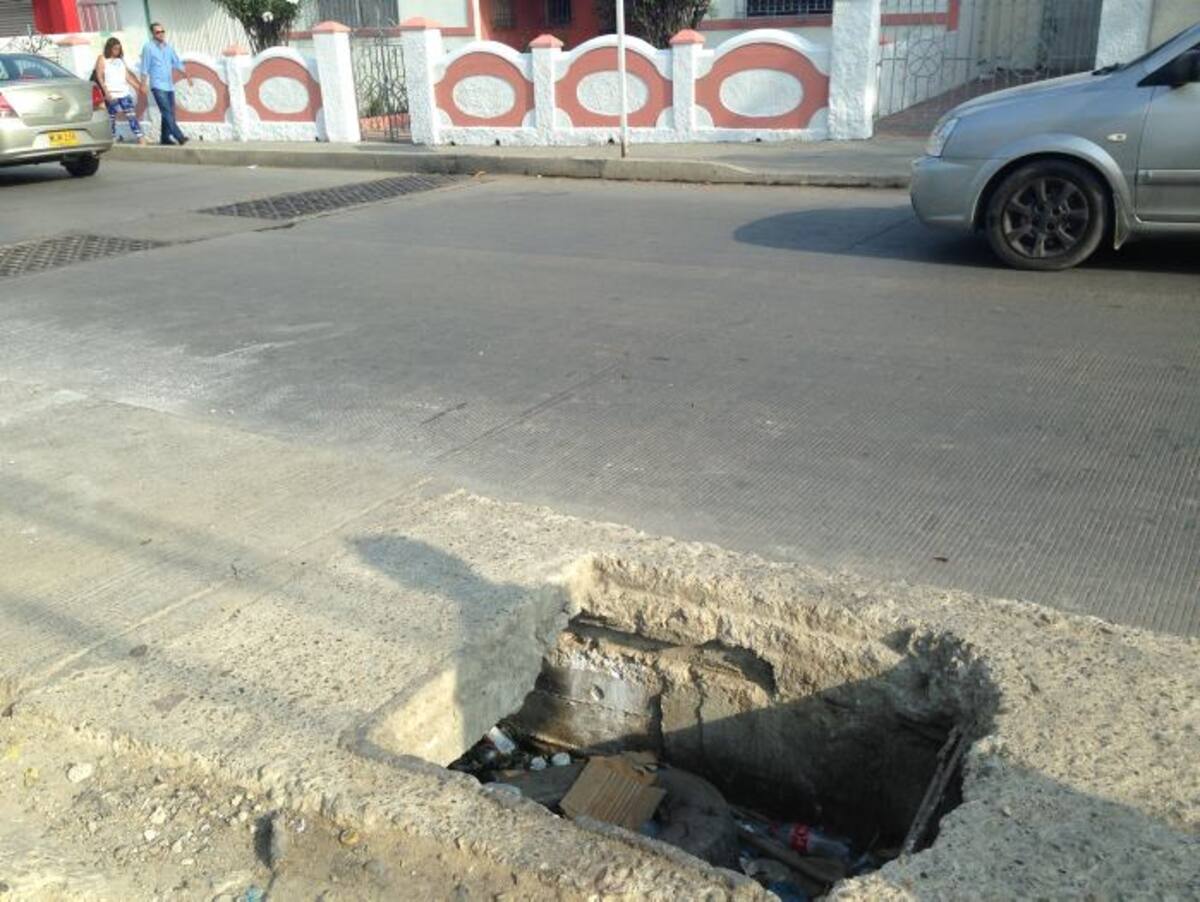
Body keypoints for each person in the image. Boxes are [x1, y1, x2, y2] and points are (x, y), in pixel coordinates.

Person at [139, 22, 192, 146]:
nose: (161, 34)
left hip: (169, 85)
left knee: (168, 112)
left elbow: (177, 62)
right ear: (152, 33)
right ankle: (179, 136)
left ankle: (164, 138)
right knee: (166, 111)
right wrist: (143, 84)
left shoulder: (168, 47)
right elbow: (144, 67)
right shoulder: (148, 47)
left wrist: (186, 74)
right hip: (157, 85)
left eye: (162, 31)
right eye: (158, 32)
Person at [95, 37, 147, 145]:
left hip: (124, 93)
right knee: (111, 118)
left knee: (131, 115)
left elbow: (127, 77)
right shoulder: (102, 59)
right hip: (112, 94)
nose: (117, 51)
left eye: (118, 49)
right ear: (109, 48)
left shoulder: (120, 60)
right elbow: (99, 76)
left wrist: (138, 88)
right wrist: (106, 92)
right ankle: (113, 137)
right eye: (115, 49)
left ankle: (140, 137)